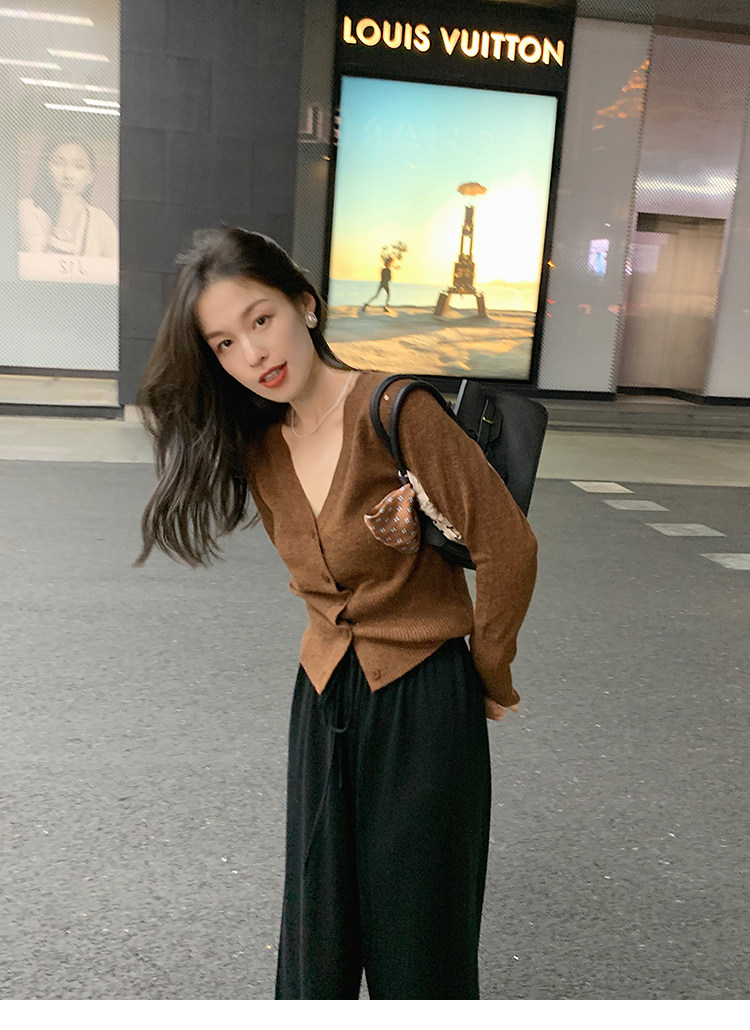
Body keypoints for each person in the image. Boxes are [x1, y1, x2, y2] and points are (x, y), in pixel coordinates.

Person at [136, 226, 538, 1000]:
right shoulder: (261, 446)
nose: (253, 353)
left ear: (306, 304)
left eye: (261, 319)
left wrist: (491, 673)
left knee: (419, 932)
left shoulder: (396, 410)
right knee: (317, 925)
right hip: (322, 699)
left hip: (423, 699)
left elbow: (508, 546)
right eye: (225, 344)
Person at [18, 138, 117, 257]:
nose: (68, 175)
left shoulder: (100, 219)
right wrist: (65, 224)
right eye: (58, 164)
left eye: (79, 166)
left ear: (91, 176)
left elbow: (122, 263)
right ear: (45, 170)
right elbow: (41, 265)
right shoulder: (27, 209)